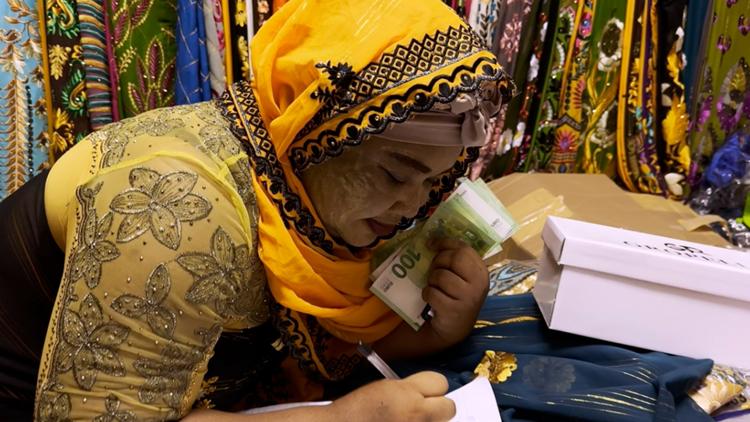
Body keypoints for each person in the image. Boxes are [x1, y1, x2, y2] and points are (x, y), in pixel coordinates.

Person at [0, 0, 715, 421]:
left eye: (434, 182)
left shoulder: (300, 194)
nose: (412, 206)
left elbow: (300, 337)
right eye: (396, 172)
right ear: (317, 133)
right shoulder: (176, 207)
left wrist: (440, 332)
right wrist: (342, 420)